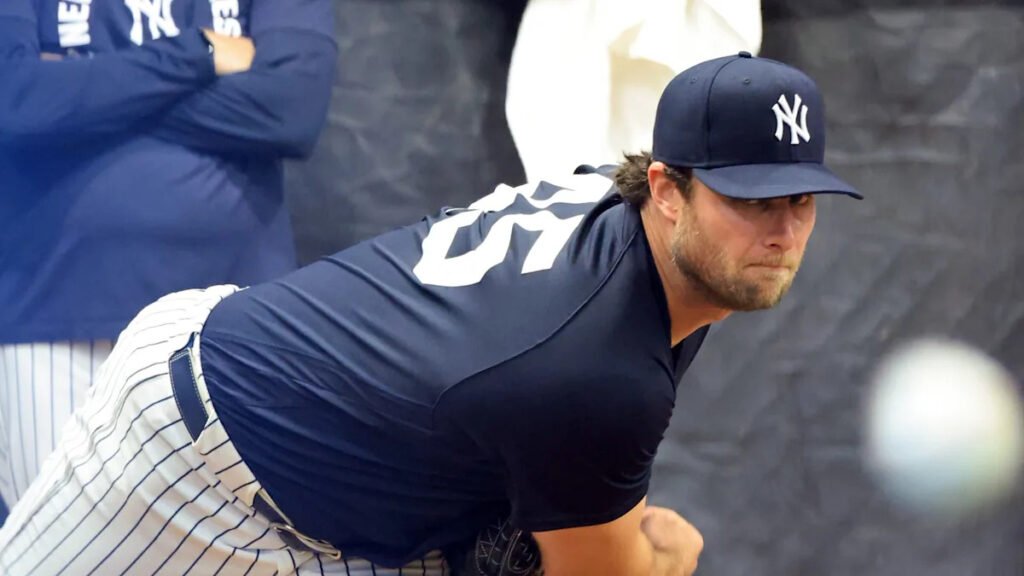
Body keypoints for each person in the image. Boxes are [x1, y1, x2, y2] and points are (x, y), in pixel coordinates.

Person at [0, 52, 861, 575]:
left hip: (331, 501)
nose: (783, 228)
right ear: (668, 189)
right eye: (750, 198)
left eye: (801, 198)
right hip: (185, 459)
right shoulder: (600, 364)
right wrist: (659, 553)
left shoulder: (627, 216)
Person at [0, 0, 338, 517]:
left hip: (229, 318)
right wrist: (197, 52)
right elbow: (15, 100)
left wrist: (82, 94)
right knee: (59, 551)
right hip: (54, 310)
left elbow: (292, 109)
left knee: (236, 556)